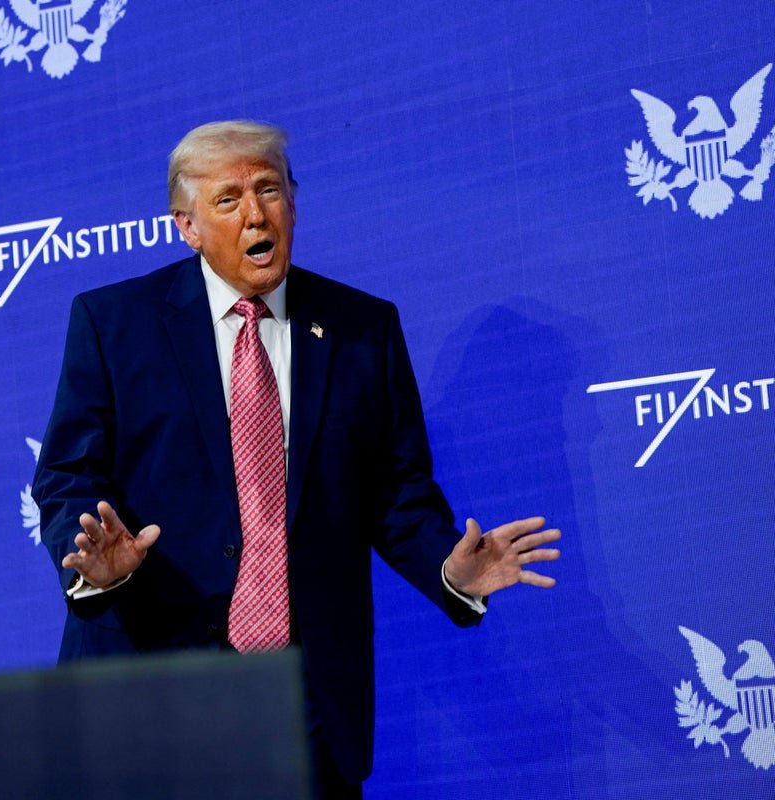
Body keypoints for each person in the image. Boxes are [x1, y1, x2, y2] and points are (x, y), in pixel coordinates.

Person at [32, 120, 560, 798]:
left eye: (270, 190)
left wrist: (449, 571)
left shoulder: (363, 330)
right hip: (150, 688)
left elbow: (398, 497)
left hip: (305, 705)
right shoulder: (114, 324)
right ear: (187, 227)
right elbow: (67, 475)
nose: (256, 214)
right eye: (228, 200)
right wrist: (97, 568)